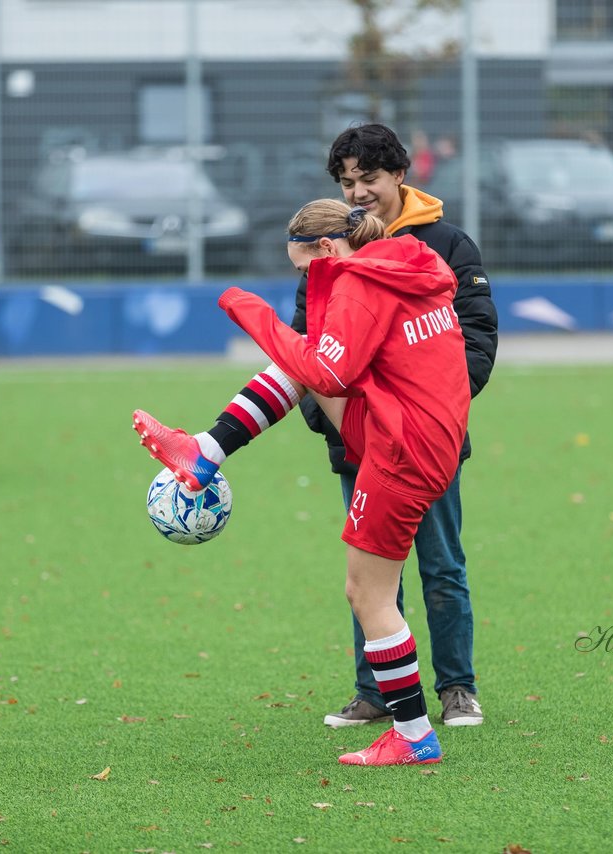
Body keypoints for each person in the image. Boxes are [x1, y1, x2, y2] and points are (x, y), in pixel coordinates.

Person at [133, 199, 470, 765]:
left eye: (304, 269)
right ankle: (205, 452)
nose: (306, 279)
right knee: (301, 359)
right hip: (419, 430)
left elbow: (330, 372)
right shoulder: (404, 261)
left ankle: (415, 737)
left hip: (402, 449)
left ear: (327, 250)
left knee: (368, 594)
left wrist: (250, 312)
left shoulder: (361, 287)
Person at [298, 123, 497, 730]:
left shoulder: (447, 244)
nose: (358, 193)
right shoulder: (327, 247)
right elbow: (306, 346)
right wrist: (332, 420)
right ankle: (374, 691)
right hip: (357, 442)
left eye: (370, 179)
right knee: (370, 578)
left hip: (423, 443)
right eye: (347, 181)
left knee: (442, 565)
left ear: (400, 177)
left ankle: (457, 688)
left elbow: (477, 342)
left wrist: (420, 411)